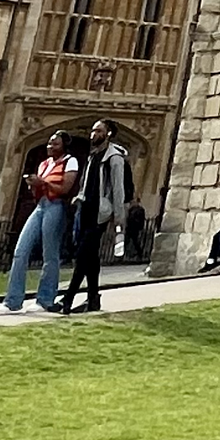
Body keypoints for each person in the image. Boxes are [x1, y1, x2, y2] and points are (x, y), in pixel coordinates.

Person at [57, 119, 133, 315]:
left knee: (82, 255)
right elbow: (86, 182)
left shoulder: (114, 159)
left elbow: (118, 189)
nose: (93, 134)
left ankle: (68, 298)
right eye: (92, 130)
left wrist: (119, 217)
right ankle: (93, 298)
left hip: (101, 212)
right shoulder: (92, 156)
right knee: (91, 257)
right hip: (86, 210)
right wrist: (79, 197)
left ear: (108, 134)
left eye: (98, 131)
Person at [0, 132, 80, 315]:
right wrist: (33, 184)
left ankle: (44, 299)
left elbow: (65, 188)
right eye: (49, 143)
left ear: (64, 146)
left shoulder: (70, 161)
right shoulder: (44, 164)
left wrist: (42, 181)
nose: (50, 147)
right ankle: (12, 301)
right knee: (21, 251)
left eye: (55, 144)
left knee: (49, 254)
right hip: (41, 205)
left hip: (56, 206)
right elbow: (41, 186)